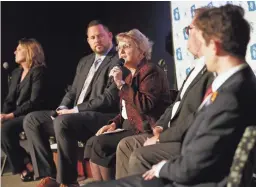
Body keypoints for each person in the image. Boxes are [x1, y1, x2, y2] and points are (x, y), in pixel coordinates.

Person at [83, 4, 256, 187]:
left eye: (203, 42)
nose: (201, 52)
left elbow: (196, 163)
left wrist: (163, 168)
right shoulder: (234, 85)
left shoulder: (232, 95)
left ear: (215, 46)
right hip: (184, 166)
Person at [115, 7, 214, 179]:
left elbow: (197, 116)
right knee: (121, 146)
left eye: (189, 29)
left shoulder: (212, 70)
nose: (121, 52)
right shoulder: (196, 69)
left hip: (183, 138)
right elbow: (176, 104)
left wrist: (162, 136)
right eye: (120, 48)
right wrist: (161, 125)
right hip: (163, 129)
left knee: (139, 155)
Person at [22, 20, 122, 187]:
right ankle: (50, 176)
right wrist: (62, 107)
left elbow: (109, 98)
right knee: (32, 120)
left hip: (102, 117)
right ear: (88, 40)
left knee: (63, 121)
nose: (96, 40)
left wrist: (75, 110)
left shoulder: (118, 60)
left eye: (100, 36)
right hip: (73, 116)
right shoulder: (85, 61)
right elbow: (73, 91)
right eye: (92, 37)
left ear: (110, 36)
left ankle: (68, 182)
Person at [84, 29, 172, 181]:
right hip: (129, 126)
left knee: (100, 144)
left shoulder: (150, 71)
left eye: (127, 46)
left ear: (141, 51)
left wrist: (120, 84)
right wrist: (113, 124)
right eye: (119, 47)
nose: (121, 50)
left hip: (145, 128)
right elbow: (126, 110)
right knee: (92, 142)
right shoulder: (131, 76)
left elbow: (144, 105)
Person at [1, 38, 47, 181]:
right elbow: (9, 99)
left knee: (5, 130)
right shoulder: (16, 73)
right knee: (3, 128)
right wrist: (3, 115)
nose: (15, 51)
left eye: (19, 49)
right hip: (16, 115)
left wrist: (10, 116)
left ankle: (23, 166)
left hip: (33, 114)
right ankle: (26, 162)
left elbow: (34, 102)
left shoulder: (39, 71)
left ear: (30, 51)